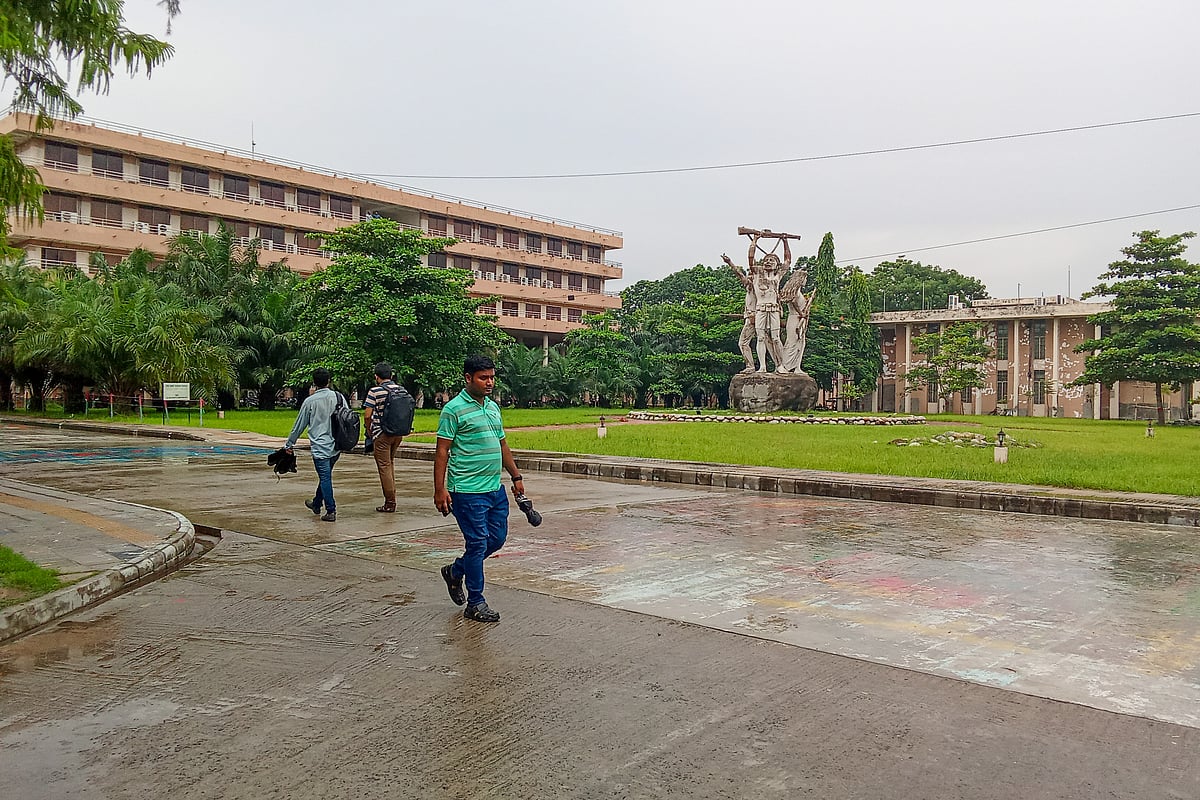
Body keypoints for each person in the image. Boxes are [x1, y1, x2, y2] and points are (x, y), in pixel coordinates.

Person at [434, 354, 525, 623]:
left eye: (492, 377)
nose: (489, 382)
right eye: (483, 378)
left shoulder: (493, 408)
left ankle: (455, 571)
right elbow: (442, 451)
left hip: (494, 488)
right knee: (476, 544)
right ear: (468, 378)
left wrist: (516, 476)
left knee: (496, 539)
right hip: (466, 489)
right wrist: (440, 489)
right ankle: (475, 602)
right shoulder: (453, 410)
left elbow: (502, 444)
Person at [284, 367, 341, 522]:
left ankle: (331, 510)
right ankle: (316, 503)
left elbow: (299, 425)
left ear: (314, 383)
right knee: (325, 476)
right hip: (336, 446)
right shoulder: (338, 397)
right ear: (329, 381)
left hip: (320, 447)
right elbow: (347, 417)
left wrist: (289, 444)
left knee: (325, 477)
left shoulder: (310, 402)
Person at [363, 361, 404, 513]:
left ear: (376, 377)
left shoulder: (375, 391)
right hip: (398, 433)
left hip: (382, 434)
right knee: (390, 463)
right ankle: (392, 496)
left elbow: (367, 415)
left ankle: (390, 502)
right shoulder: (401, 390)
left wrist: (369, 431)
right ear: (391, 375)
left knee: (384, 466)